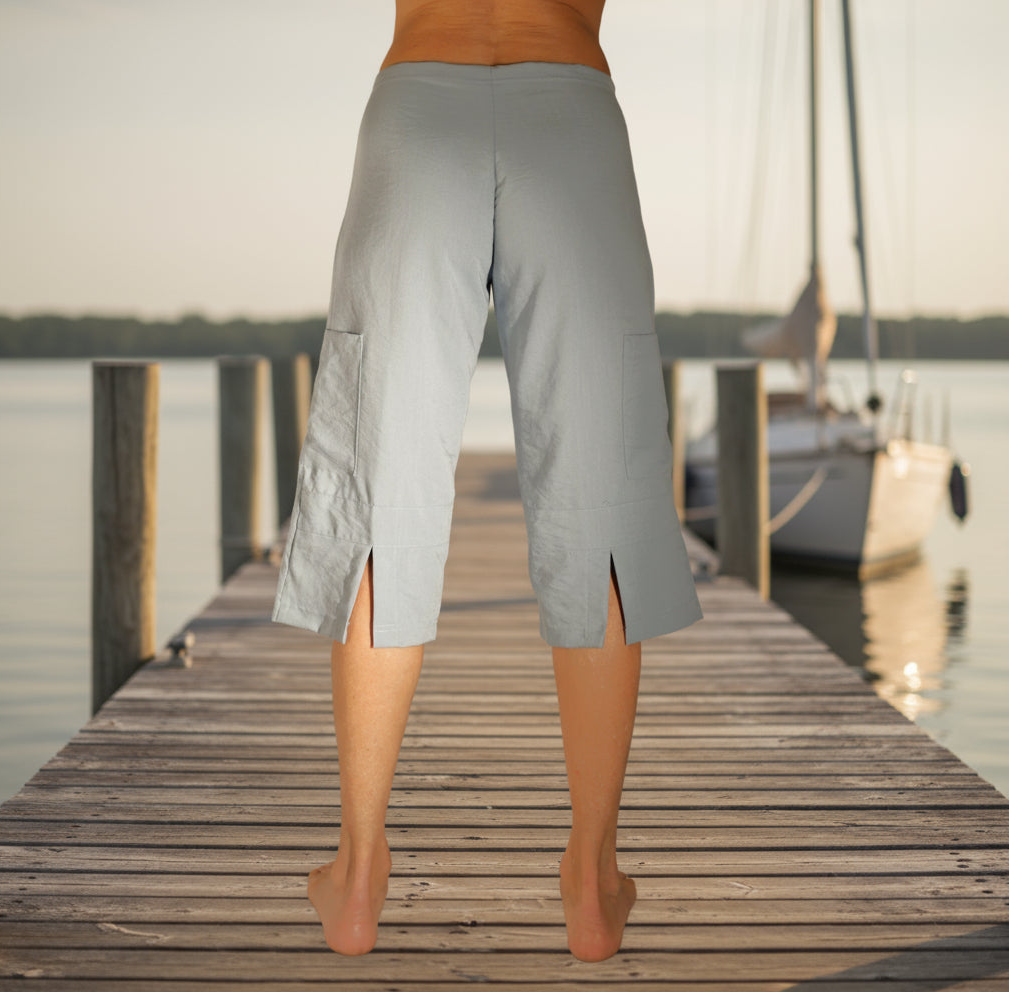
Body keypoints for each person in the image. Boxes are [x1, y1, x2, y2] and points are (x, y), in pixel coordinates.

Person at [271, 0, 703, 962]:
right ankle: (593, 885)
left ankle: (357, 877)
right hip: (569, 109)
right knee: (601, 507)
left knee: (380, 492)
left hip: (421, 106)